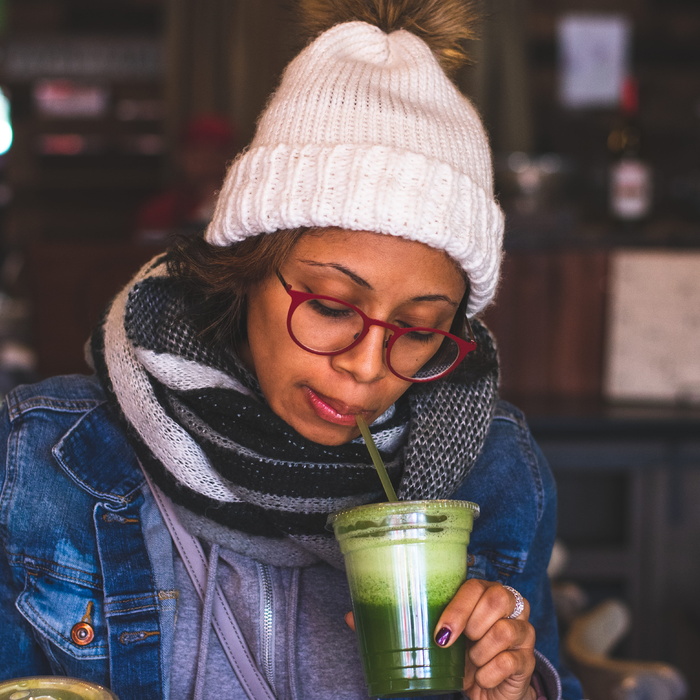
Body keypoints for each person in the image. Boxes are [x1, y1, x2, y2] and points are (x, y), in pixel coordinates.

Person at [0, 1, 583, 699]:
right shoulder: (44, 462)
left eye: (421, 329)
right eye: (333, 307)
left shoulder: (493, 473)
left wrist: (520, 688)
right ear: (245, 271)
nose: (368, 368)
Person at [133, 113, 237, 246]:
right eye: (197, 150)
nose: (206, 158)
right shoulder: (157, 212)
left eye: (217, 150)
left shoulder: (244, 209)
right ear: (180, 155)